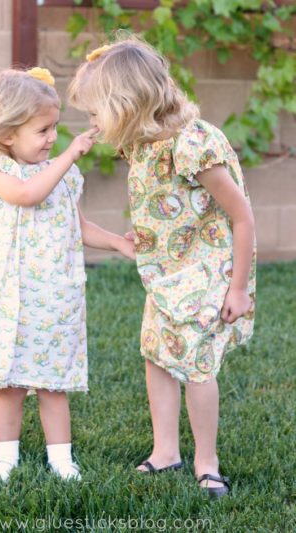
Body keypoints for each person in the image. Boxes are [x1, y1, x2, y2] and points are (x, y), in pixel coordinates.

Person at [69, 36, 256, 498]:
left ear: (128, 104)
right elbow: (163, 202)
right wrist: (145, 235)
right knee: (157, 356)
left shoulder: (192, 145)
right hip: (166, 272)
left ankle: (206, 462)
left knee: (194, 364)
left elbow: (241, 216)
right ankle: (165, 452)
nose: (91, 122)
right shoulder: (141, 144)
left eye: (96, 112)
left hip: (207, 270)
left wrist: (236, 289)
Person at [0, 67, 135, 482]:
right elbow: (28, 195)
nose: (52, 138)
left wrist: (116, 241)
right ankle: (4, 457)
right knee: (8, 385)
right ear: (7, 134)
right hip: (7, 295)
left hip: (54, 294)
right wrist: (68, 155)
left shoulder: (63, 175)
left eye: (55, 128)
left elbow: (76, 226)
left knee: (53, 382)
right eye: (42, 130)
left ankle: (62, 459)